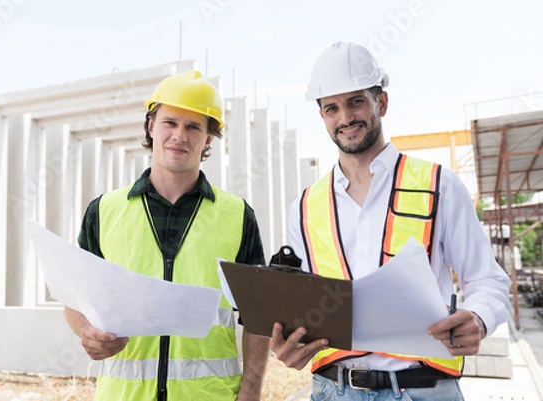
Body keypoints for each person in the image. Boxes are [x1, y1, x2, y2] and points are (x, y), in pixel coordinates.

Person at [270, 42, 511, 400]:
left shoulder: (439, 186)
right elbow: (304, 305)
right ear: (322, 117)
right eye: (332, 108)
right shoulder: (305, 206)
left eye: (356, 102)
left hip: (422, 390)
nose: (346, 118)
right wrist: (288, 343)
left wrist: (479, 317)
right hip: (332, 390)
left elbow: (488, 280)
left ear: (381, 102)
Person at [64, 70, 270, 401]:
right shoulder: (103, 211)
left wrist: (251, 391)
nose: (180, 135)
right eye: (170, 123)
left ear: (208, 139)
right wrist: (87, 332)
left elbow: (259, 316)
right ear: (150, 125)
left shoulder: (237, 216)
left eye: (193, 127)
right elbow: (75, 298)